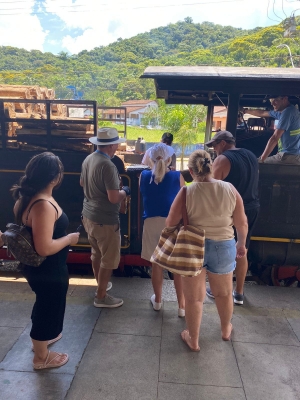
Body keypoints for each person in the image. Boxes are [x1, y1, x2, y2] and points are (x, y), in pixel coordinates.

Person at [166, 150, 247, 351]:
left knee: (194, 298)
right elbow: (241, 222)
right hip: (224, 244)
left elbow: (170, 222)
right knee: (224, 293)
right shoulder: (229, 188)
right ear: (211, 166)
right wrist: (241, 243)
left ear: (191, 171)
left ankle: (193, 339)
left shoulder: (186, 191)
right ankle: (225, 329)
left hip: (193, 247)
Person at [11, 152, 80, 370]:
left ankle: (41, 341)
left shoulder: (26, 199)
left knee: (44, 303)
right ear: (54, 178)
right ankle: (41, 357)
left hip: (38, 269)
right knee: (48, 308)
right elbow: (44, 247)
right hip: (49, 269)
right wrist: (69, 239)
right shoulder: (42, 205)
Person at [205, 130, 260, 305]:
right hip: (251, 207)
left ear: (222, 143)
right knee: (242, 249)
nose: (214, 150)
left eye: (214, 145)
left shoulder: (222, 160)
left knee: (222, 249)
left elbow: (210, 189)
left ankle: (218, 290)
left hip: (231, 210)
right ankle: (239, 293)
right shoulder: (251, 155)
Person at [80, 127, 130, 308]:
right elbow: (113, 198)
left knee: (96, 254)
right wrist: (125, 191)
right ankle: (101, 296)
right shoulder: (108, 165)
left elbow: (82, 183)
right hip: (105, 219)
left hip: (88, 215)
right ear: (112, 145)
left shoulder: (89, 159)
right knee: (108, 258)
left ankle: (100, 284)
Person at [140, 143, 186, 316]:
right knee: (176, 266)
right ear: (169, 159)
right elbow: (185, 195)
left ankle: (158, 301)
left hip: (151, 222)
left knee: (157, 264)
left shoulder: (143, 176)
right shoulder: (177, 176)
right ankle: (181, 306)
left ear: (150, 159)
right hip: (172, 223)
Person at [242, 95, 300, 164]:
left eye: (275, 100)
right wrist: (245, 111)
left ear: (285, 99)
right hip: (291, 155)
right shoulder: (283, 112)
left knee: (254, 165)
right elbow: (262, 113)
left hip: (288, 156)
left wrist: (261, 159)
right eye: (271, 101)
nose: (272, 103)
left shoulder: (287, 113)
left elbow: (275, 138)